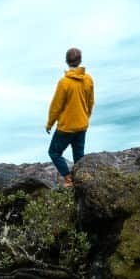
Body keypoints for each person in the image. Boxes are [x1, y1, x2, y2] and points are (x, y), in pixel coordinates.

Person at [45, 47, 94, 186]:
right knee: (79, 156)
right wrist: (85, 117)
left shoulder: (64, 83)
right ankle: (80, 181)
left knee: (54, 153)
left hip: (66, 128)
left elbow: (56, 106)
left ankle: (68, 178)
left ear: (66, 61)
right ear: (80, 61)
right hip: (82, 125)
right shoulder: (88, 79)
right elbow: (91, 101)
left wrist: (49, 124)